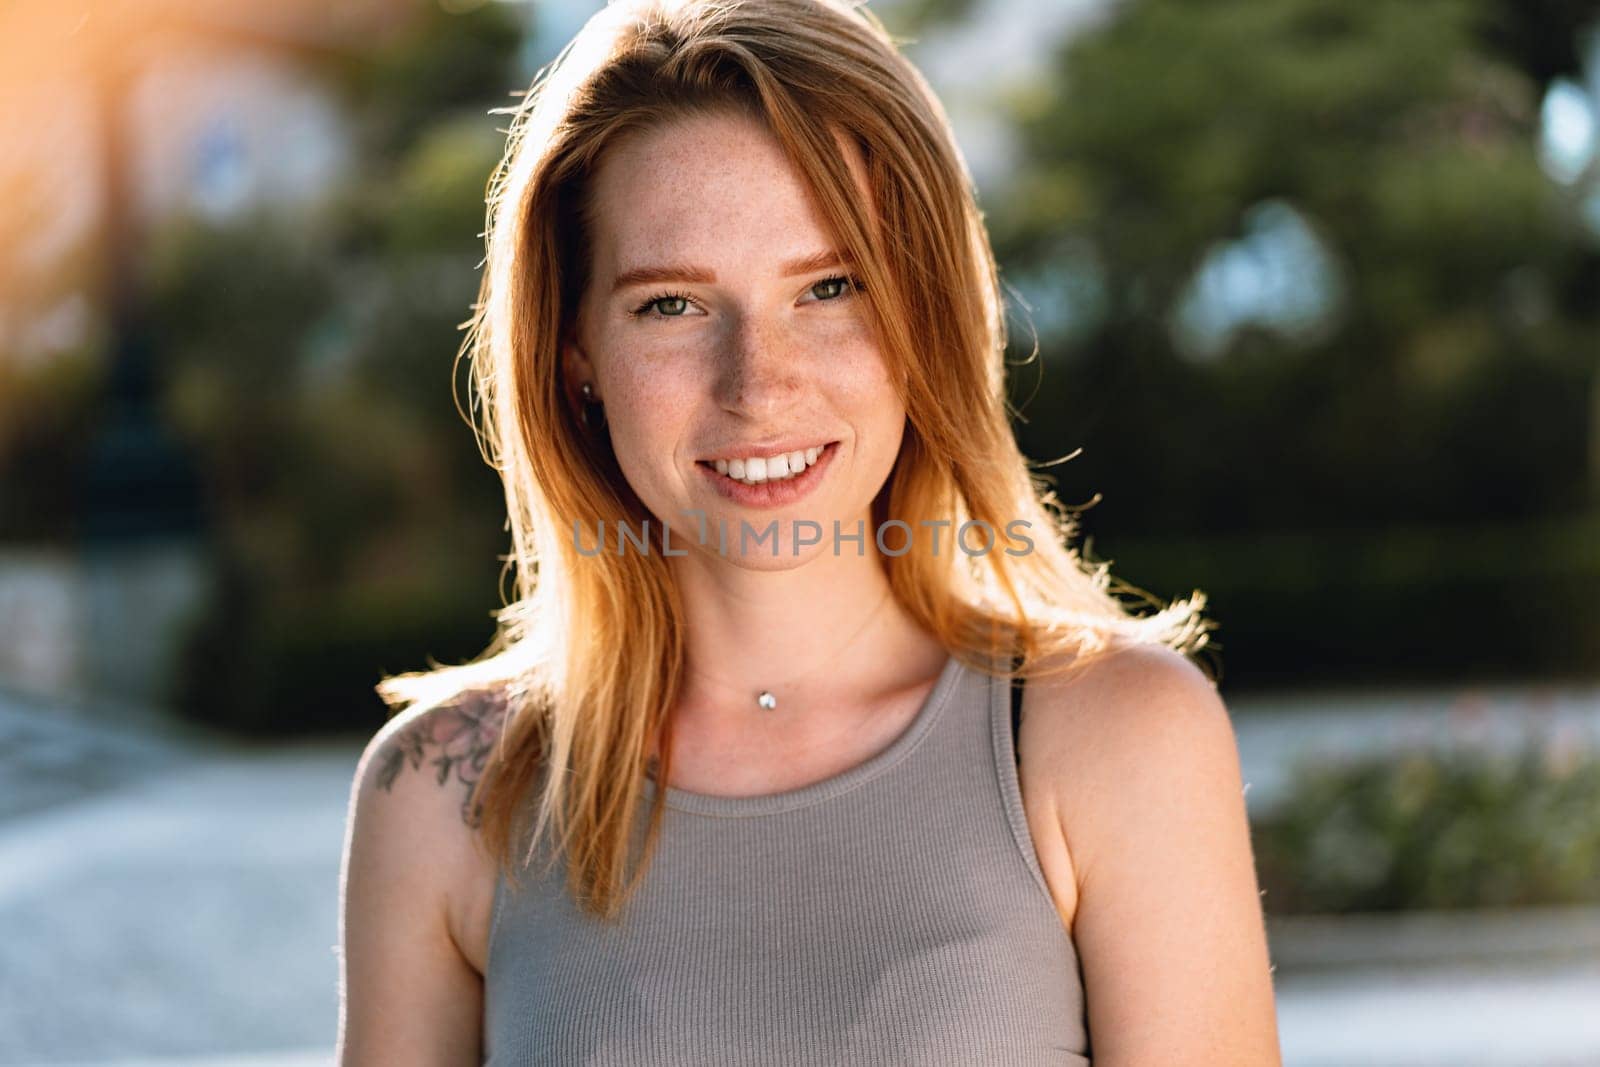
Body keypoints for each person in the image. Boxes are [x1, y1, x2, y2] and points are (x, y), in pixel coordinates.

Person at [336, 0, 1282, 1063]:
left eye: (830, 287)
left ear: (924, 311)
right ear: (574, 353)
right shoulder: (442, 796)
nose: (759, 384)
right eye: (671, 306)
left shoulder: (1118, 740)